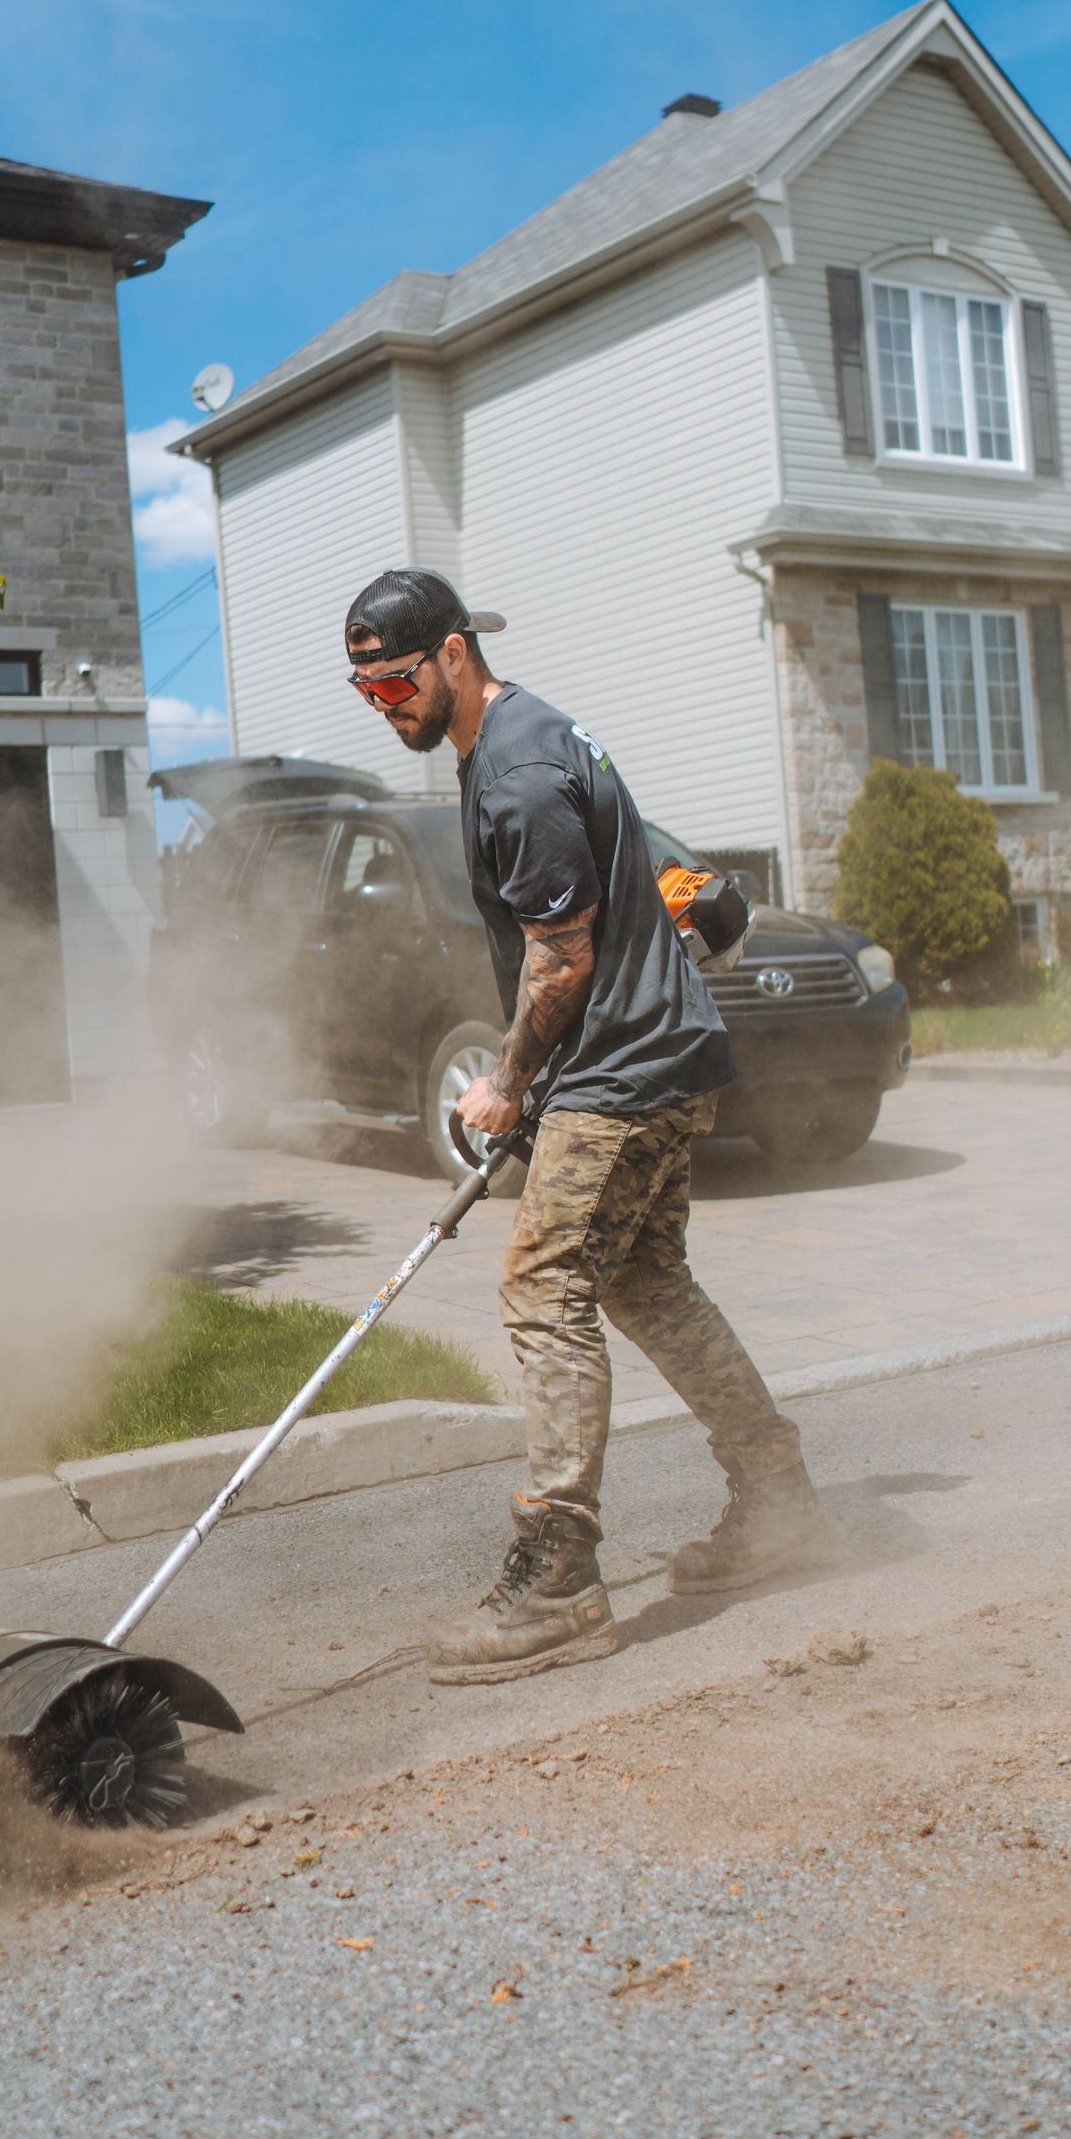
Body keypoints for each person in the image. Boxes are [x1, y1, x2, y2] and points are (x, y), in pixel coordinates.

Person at [342, 567, 834, 1684]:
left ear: (455, 655)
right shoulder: (539, 732)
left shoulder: (512, 774)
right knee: (646, 1281)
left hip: (620, 1071)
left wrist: (508, 1085)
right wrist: (686, 891)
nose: (388, 706)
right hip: (664, 1055)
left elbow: (559, 959)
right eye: (368, 693)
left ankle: (558, 1576)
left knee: (540, 1283)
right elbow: (648, 885)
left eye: (399, 683)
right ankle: (779, 1503)